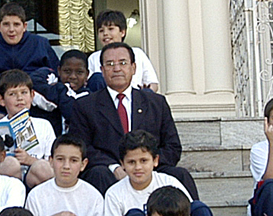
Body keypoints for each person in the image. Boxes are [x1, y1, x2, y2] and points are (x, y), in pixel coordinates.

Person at [65, 42, 198, 197]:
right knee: (98, 174)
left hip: (151, 170)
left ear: (133, 68)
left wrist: (145, 165)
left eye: (123, 63)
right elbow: (81, 147)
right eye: (110, 64)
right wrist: (115, 167)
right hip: (109, 172)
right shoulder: (85, 105)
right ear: (101, 70)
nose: (116, 69)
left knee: (180, 175)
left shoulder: (156, 103)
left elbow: (172, 147)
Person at [0, 2, 61, 102]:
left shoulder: (40, 44)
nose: (11, 30)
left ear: (24, 26)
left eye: (16, 25)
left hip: (34, 102)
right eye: (6, 24)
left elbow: (57, 73)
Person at [0, 69, 55, 186]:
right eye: (12, 94)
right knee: (10, 163)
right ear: (1, 100)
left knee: (42, 167)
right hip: (9, 181)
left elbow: (52, 163)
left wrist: (29, 160)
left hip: (36, 180)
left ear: (32, 95)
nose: (19, 98)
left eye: (24, 93)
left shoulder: (44, 125)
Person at [85, 10, 159, 90]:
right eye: (101, 31)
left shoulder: (138, 54)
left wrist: (145, 93)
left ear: (122, 32)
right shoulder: (93, 58)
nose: (105, 33)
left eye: (110, 29)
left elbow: (152, 83)